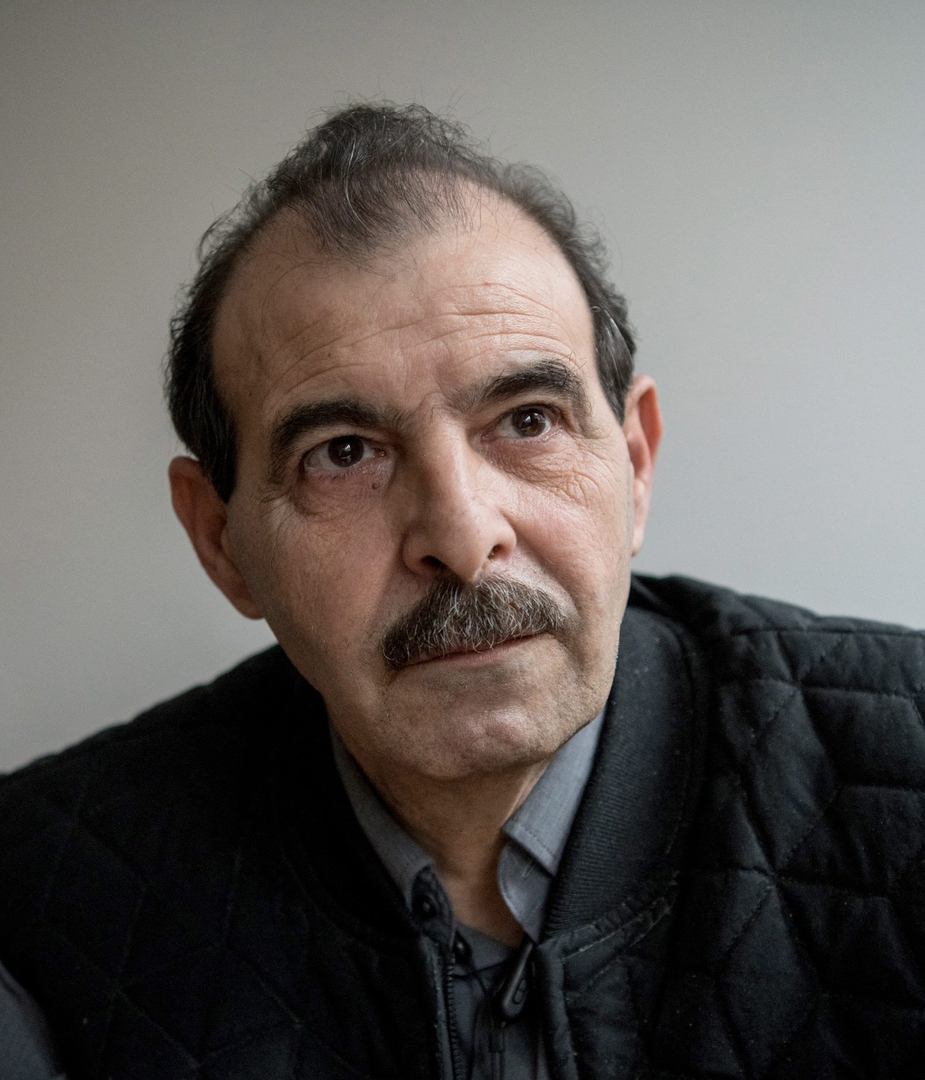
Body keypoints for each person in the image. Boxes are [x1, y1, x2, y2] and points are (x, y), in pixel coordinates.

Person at [1, 103, 923, 1080]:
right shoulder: (38, 909)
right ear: (221, 543)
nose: (461, 536)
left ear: (635, 463)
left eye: (527, 420)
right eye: (343, 454)